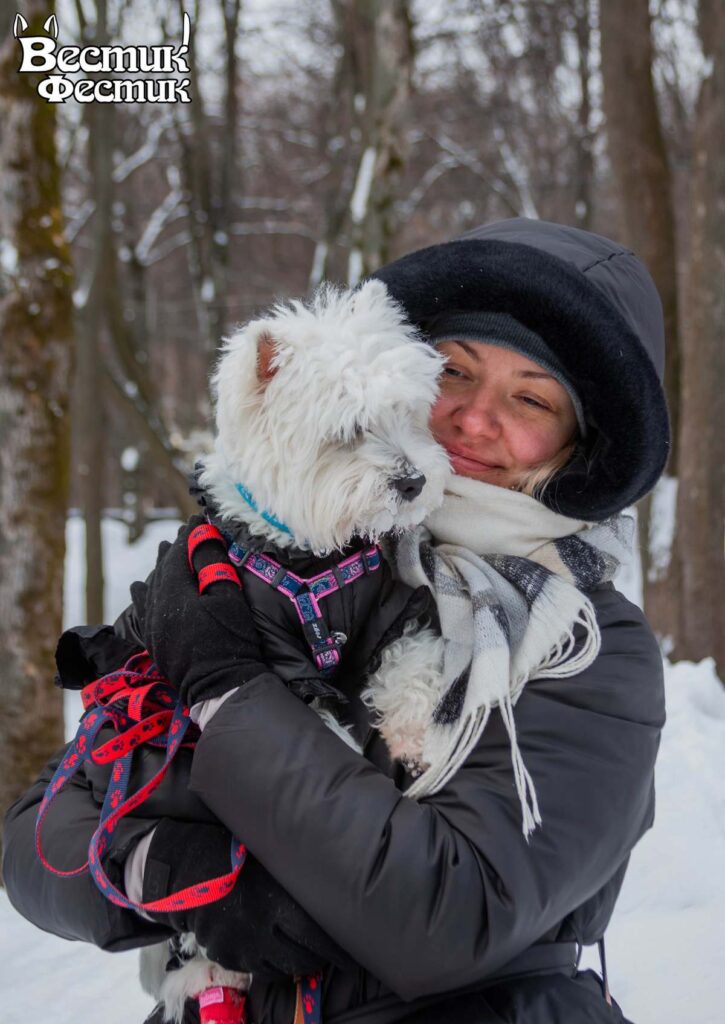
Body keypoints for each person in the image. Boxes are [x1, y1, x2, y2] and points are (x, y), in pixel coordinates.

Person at [3, 218, 669, 1024]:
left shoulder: (588, 645)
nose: (470, 419)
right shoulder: (251, 568)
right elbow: (38, 844)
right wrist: (161, 867)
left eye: (529, 397)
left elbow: (451, 920)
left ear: (580, 444)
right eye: (453, 372)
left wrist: (229, 691)